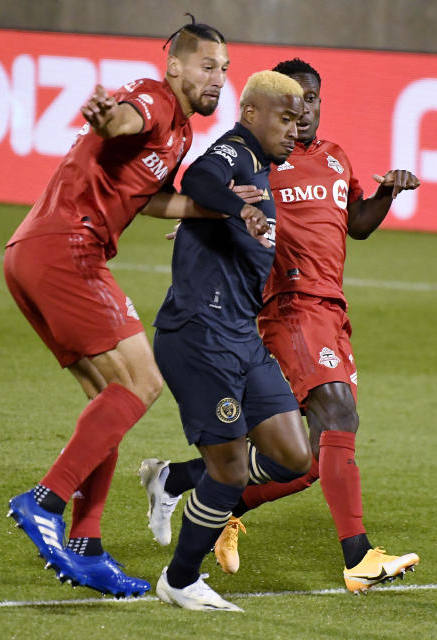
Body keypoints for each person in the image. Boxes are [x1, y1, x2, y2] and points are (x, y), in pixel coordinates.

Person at [3, 17, 267, 599]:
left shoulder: (180, 135)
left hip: (34, 252)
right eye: (206, 66)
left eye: (224, 69)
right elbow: (125, 119)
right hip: (67, 250)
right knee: (143, 382)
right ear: (174, 66)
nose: (218, 79)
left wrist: (217, 210)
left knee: (111, 400)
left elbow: (148, 197)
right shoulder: (152, 98)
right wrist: (106, 118)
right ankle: (45, 500)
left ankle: (87, 543)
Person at [143, 58, 421, 594]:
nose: (305, 112)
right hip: (290, 307)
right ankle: (358, 557)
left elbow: (356, 224)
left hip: (331, 310)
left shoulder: (336, 160)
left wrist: (387, 192)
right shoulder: (263, 162)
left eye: (313, 100)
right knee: (338, 413)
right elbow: (215, 192)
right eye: (295, 103)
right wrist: (203, 223)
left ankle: (184, 484)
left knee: (306, 458)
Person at [142, 70, 309, 612]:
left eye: (299, 117)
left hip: (240, 336)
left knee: (291, 455)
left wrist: (233, 220)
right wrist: (241, 210)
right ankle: (181, 579)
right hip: (199, 334)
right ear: (252, 113)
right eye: (285, 117)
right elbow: (198, 180)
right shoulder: (237, 150)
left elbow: (217, 212)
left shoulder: (260, 170)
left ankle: (175, 478)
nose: (295, 127)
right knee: (232, 470)